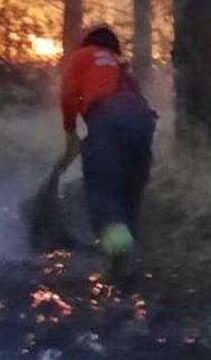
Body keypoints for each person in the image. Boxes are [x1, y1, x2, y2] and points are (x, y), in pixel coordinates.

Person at [59, 25, 156, 267]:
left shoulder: (83, 56)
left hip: (108, 119)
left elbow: (68, 94)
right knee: (129, 193)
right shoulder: (119, 64)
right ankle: (132, 256)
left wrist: (70, 132)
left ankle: (119, 260)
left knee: (104, 193)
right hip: (143, 122)